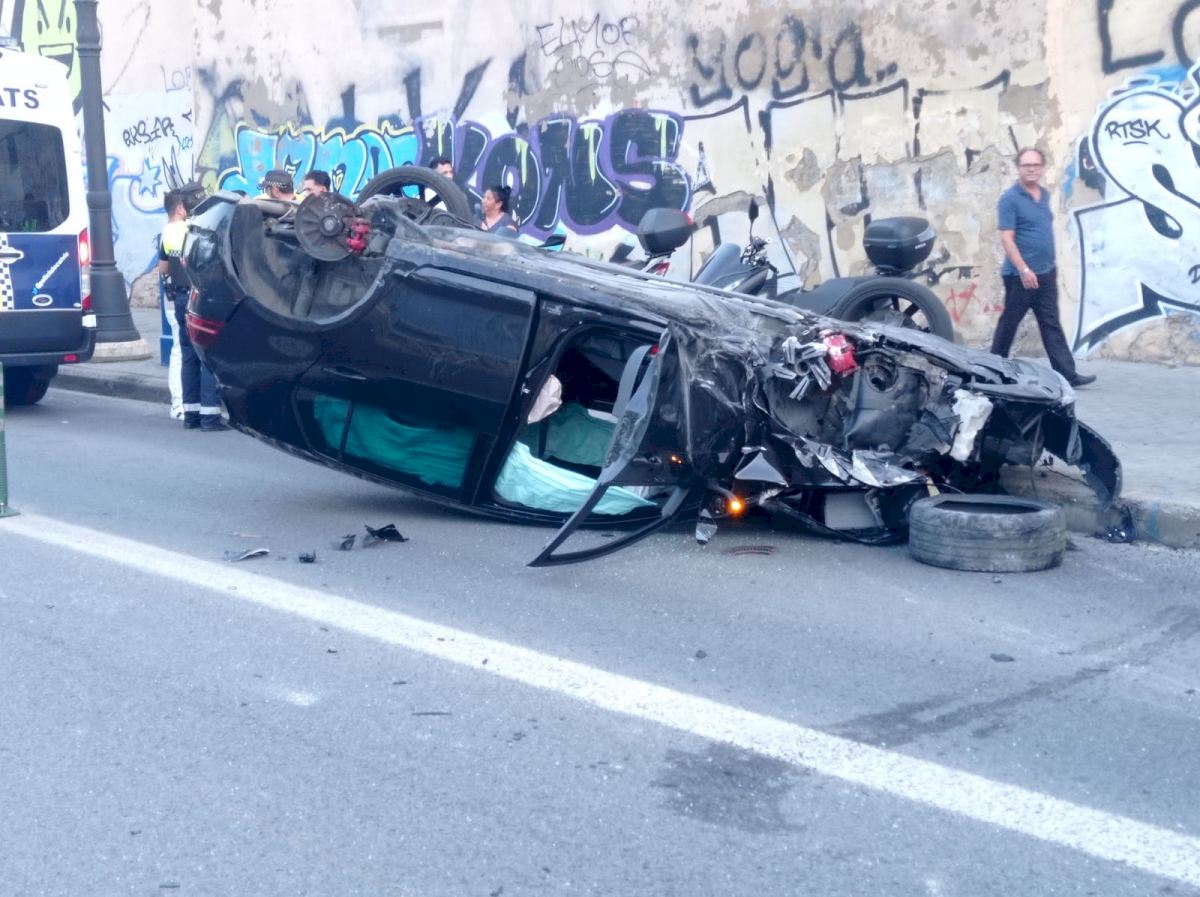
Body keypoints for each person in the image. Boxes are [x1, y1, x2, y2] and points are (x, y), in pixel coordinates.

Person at [991, 147, 1095, 387]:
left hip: (1046, 273)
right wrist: (1024, 270)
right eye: (1026, 165)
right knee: (1009, 325)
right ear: (1018, 168)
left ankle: (1067, 374)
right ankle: (992, 370)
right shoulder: (1010, 199)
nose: (1031, 169)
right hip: (1020, 276)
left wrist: (1046, 267)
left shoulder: (1045, 196)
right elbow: (1007, 239)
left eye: (1035, 165)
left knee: (1051, 324)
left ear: (1042, 168)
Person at [158, 190, 229, 431]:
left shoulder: (168, 231)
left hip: (180, 297)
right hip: (200, 297)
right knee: (207, 353)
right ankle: (210, 416)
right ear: (183, 207)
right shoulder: (198, 228)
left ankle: (191, 414)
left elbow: (163, 268)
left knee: (188, 354)